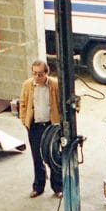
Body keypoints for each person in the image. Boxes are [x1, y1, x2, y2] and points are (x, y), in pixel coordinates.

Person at [19, 60, 63, 198]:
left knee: (53, 156)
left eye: (40, 74)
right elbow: (23, 103)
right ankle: (38, 186)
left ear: (46, 73)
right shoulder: (27, 85)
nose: (37, 77)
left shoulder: (55, 85)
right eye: (34, 74)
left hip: (51, 126)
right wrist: (24, 121)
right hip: (35, 127)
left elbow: (61, 102)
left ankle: (58, 187)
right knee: (37, 158)